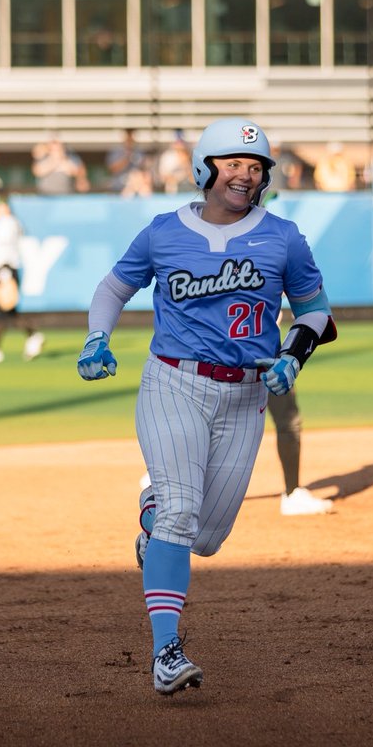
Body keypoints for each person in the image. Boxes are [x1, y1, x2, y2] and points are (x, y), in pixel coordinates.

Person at [76, 117, 337, 695]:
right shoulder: (162, 232)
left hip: (247, 395)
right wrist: (98, 337)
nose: (244, 175)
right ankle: (166, 652)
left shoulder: (284, 236)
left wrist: (295, 354)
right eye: (233, 164)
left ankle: (151, 518)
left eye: (254, 167)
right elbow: (114, 288)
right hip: (173, 382)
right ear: (204, 169)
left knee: (205, 537)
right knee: (181, 510)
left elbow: (317, 311)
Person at [0, 198, 46, 364]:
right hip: (6, 269)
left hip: (5, 269)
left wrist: (4, 272)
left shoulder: (6, 223)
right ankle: (32, 335)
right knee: (8, 312)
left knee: (0, 312)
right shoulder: (11, 223)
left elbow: (5, 248)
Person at [105, 128, 146, 193]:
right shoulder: (116, 151)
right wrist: (127, 158)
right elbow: (112, 169)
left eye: (132, 137)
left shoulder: (139, 151)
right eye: (129, 137)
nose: (130, 139)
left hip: (136, 184)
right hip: (119, 184)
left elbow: (143, 169)